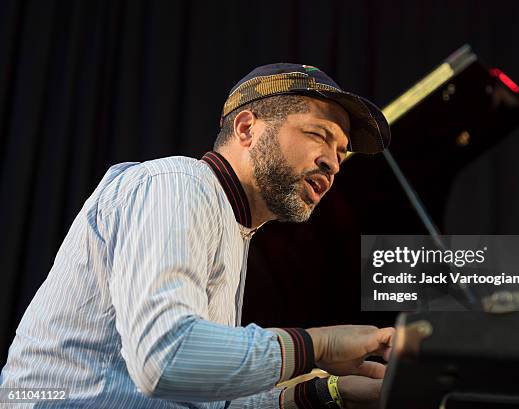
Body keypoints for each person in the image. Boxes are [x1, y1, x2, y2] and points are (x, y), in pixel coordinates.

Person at [0, 63, 392, 408]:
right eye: (319, 135)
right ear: (246, 128)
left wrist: (322, 394)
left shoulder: (231, 226)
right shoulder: (178, 185)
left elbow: (195, 398)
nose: (333, 163)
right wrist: (316, 347)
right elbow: (165, 356)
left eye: (342, 152)